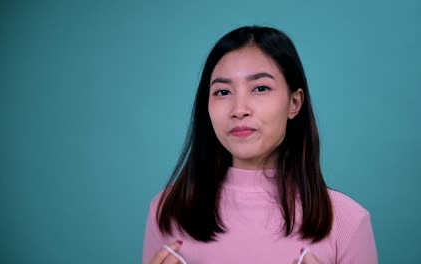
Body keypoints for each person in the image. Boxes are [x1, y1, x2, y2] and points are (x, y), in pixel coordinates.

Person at [142, 25, 377, 264]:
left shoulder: (348, 220)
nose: (239, 110)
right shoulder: (167, 210)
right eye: (222, 92)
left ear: (294, 103)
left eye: (260, 88)